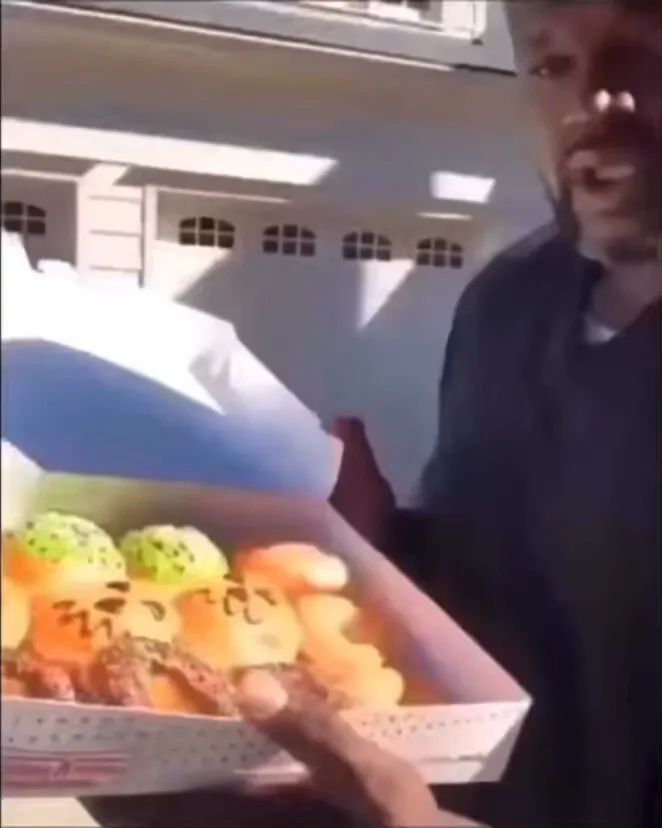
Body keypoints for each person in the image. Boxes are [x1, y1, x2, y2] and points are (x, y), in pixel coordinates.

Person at [86, 1, 659, 826]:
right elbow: (503, 578)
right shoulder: (511, 301)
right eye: (551, 64)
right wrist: (373, 546)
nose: (592, 101)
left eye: (642, 49)